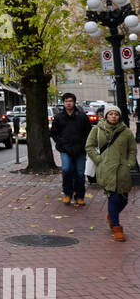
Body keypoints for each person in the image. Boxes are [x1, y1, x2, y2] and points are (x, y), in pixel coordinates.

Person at [85, 104, 135, 241]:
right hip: (106, 168)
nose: (113, 116)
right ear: (106, 116)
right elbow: (89, 146)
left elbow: (132, 149)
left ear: (119, 116)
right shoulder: (97, 129)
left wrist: (130, 163)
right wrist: (98, 159)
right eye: (111, 114)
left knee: (123, 199)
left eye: (116, 114)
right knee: (113, 197)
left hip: (122, 169)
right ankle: (116, 227)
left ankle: (111, 216)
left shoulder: (126, 131)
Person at [50, 92, 91, 207]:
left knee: (79, 173)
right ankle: (67, 193)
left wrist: (83, 144)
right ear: (63, 103)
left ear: (74, 102)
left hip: (80, 149)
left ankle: (79, 196)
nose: (68, 103)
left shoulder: (82, 116)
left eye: (70, 101)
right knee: (67, 170)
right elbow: (54, 133)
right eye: (66, 101)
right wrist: (61, 142)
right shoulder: (59, 117)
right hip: (65, 149)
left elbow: (88, 132)